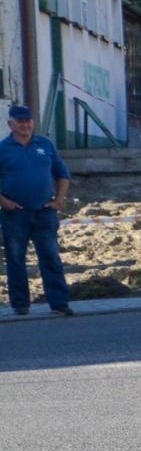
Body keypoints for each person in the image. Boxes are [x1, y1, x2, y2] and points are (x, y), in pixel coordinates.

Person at [0, 104, 73, 316]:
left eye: (28, 121)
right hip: (15, 214)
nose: (25, 125)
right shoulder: (2, 148)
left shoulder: (45, 145)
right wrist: (3, 202)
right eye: (20, 121)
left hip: (44, 213)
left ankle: (59, 303)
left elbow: (63, 175)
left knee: (50, 257)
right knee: (15, 259)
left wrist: (58, 200)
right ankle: (20, 305)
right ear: (10, 124)